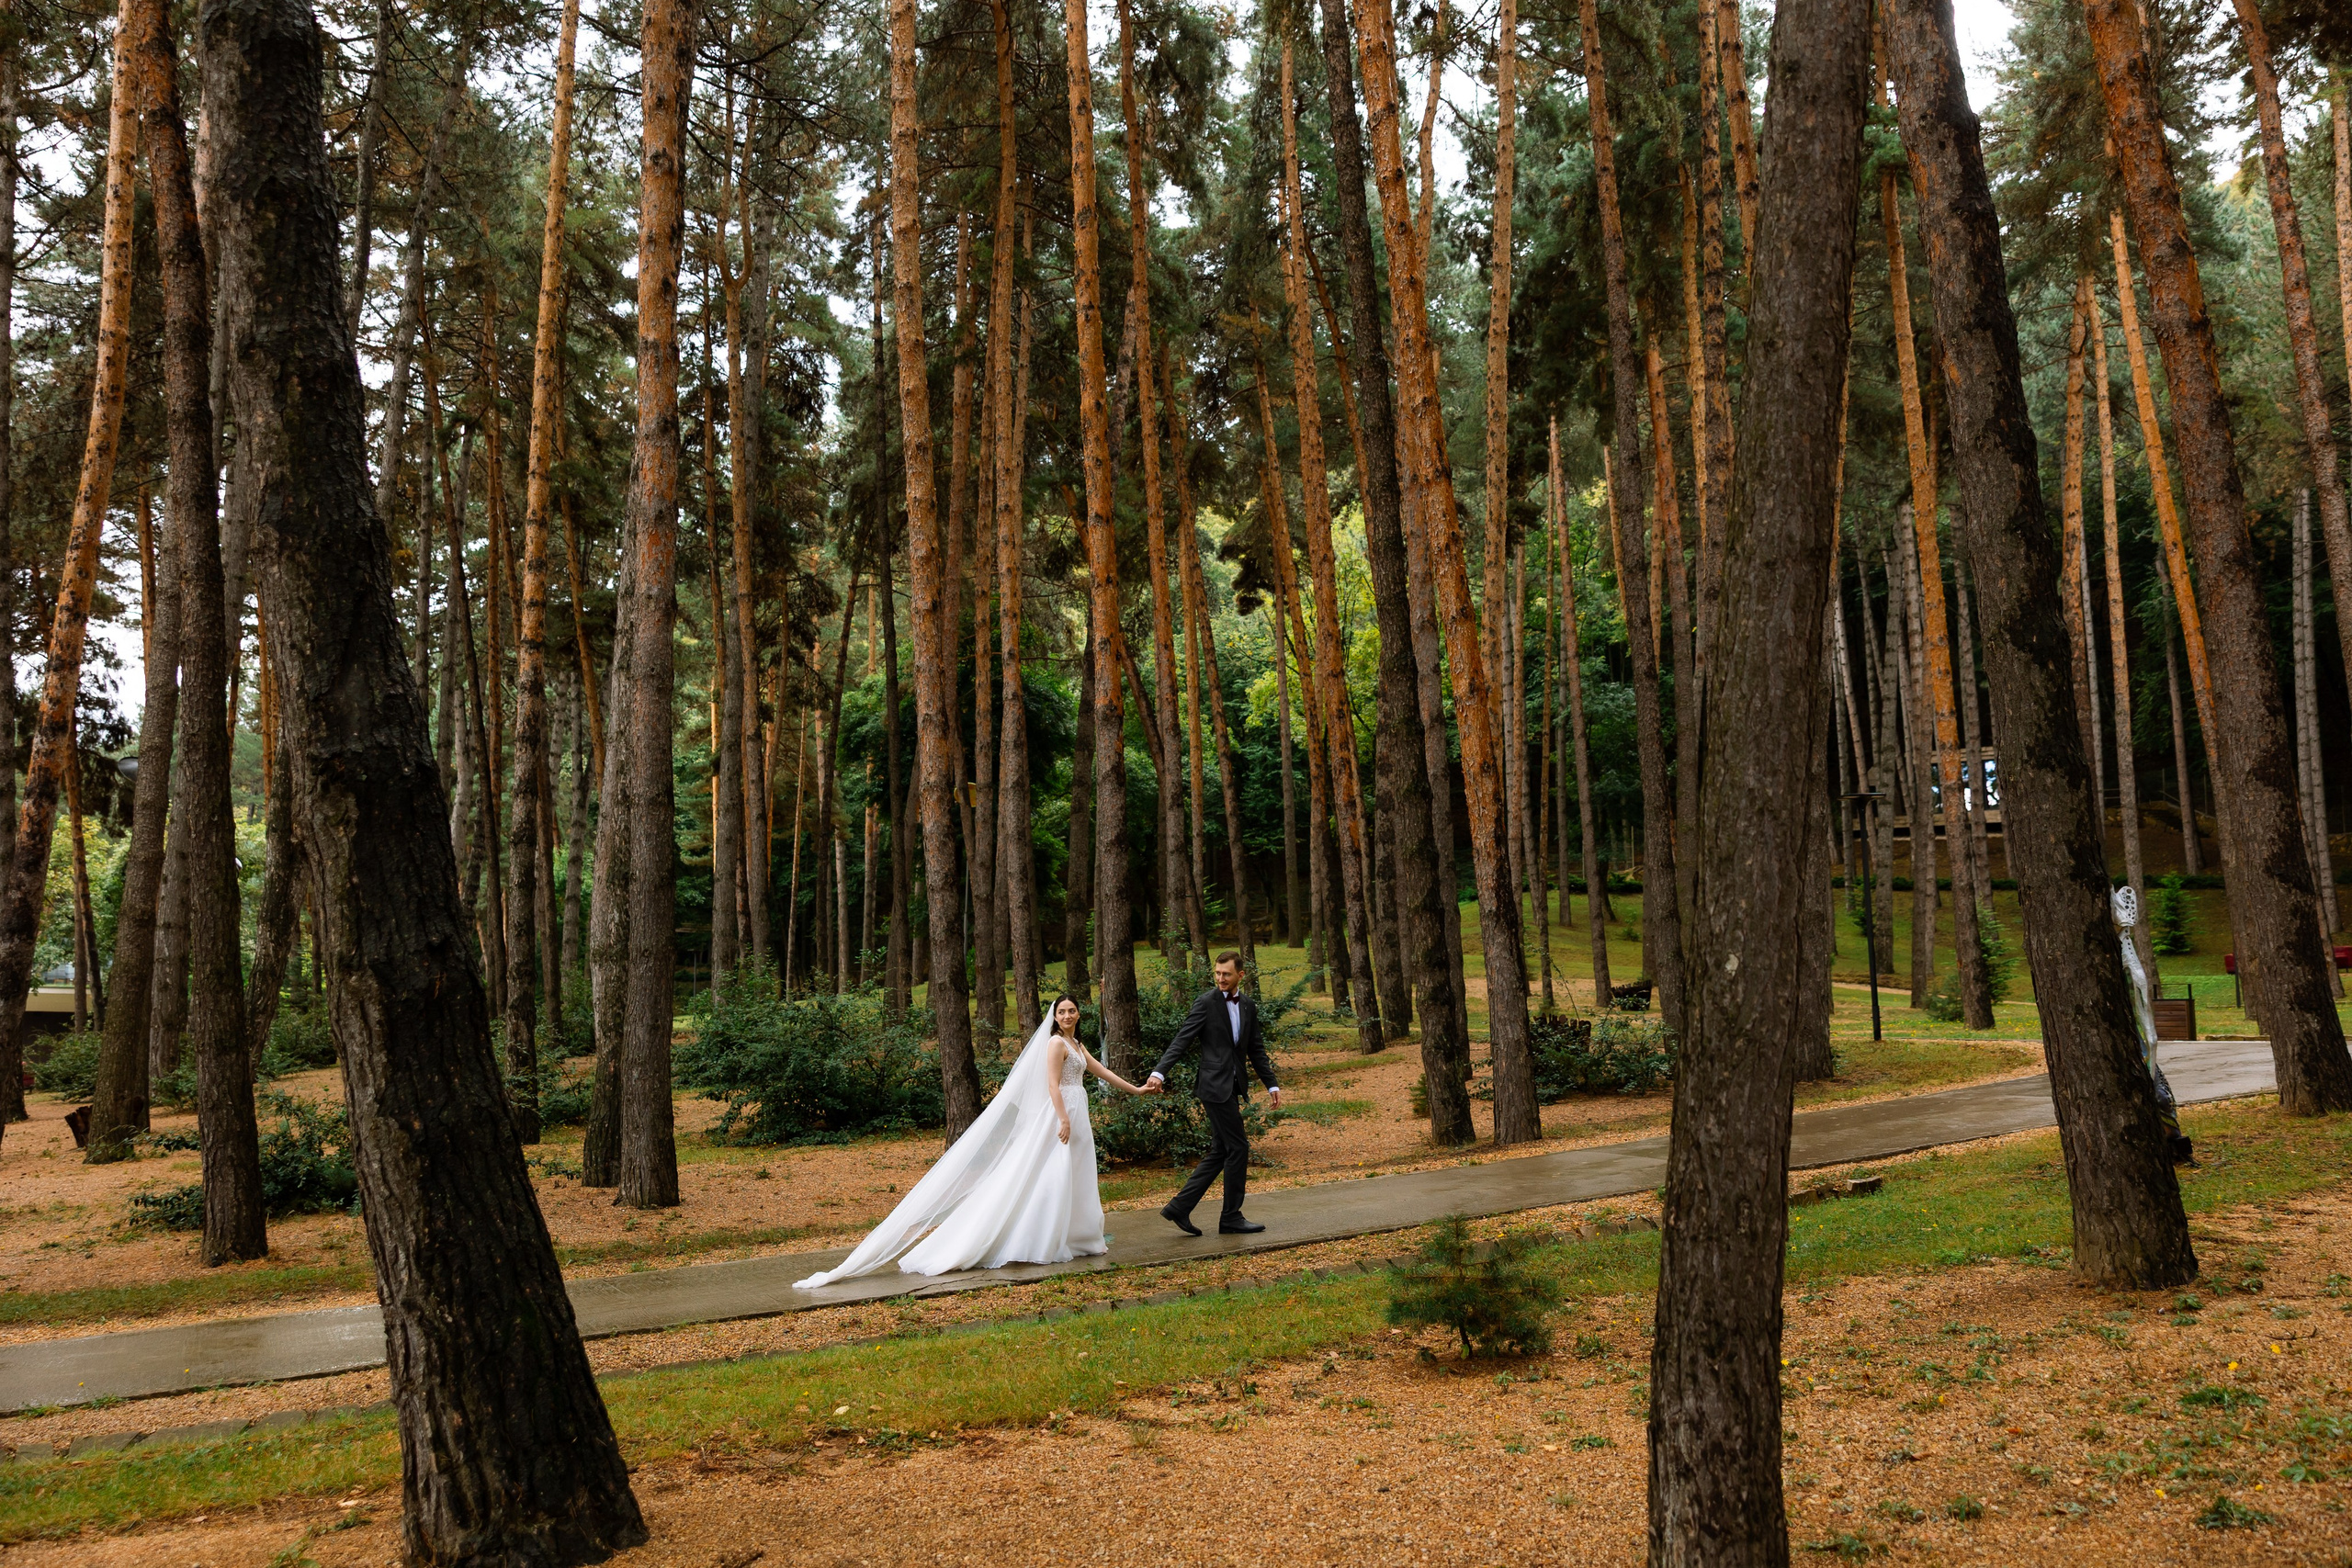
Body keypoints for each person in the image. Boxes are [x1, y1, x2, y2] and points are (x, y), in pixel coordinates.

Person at [792, 996, 1145, 1288]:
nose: (1067, 1016)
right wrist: (1063, 1118)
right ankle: (1039, 1237)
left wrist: (1138, 1088)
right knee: (1050, 1176)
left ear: (1078, 1014)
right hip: (1060, 1115)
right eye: (1061, 1011)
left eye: (1071, 1011)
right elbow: (1053, 1085)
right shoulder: (1055, 1043)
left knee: (1077, 1176)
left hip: (1077, 1111)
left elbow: (1102, 1072)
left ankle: (1079, 1237)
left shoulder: (1076, 1043)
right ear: (1054, 1017)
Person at [1144, 952, 1283, 1236]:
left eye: (1226, 974)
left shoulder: (1247, 1006)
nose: (1220, 978)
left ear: (1240, 976)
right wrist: (1159, 1072)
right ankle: (1231, 1217)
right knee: (1239, 1148)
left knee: (1222, 1150)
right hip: (1213, 1086)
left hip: (1232, 1087)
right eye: (1218, 973)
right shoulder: (1206, 1003)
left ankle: (1180, 1207)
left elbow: (1255, 1048)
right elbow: (1182, 1039)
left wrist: (1271, 1084)